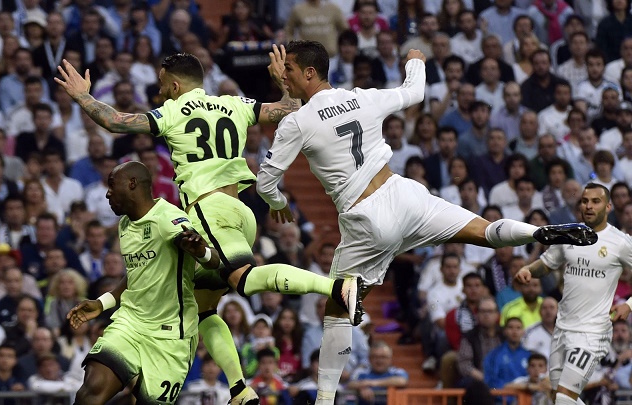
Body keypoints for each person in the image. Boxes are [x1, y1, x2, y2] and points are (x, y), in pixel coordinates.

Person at [252, 39, 598, 404]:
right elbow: (415, 91)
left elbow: (265, 182)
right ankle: (538, 232)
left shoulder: (297, 122)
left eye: (287, 69)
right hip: (405, 196)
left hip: (366, 218)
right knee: (483, 232)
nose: (282, 74)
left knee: (338, 308)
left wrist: (278, 203)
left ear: (309, 72)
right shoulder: (362, 97)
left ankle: (325, 400)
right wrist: (416, 58)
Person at [56, 49, 363, 404]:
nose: (161, 92)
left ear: (174, 84)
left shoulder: (172, 111)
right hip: (241, 210)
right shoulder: (234, 104)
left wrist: (82, 96)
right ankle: (239, 389)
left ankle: (337, 288)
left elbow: (117, 121)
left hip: (208, 210)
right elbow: (289, 109)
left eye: (161, 85)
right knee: (203, 309)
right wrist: (285, 86)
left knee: (242, 277)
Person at [65, 161, 212, 404]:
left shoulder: (168, 218)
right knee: (90, 391)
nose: (107, 193)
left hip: (170, 335)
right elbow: (137, 274)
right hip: (131, 323)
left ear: (132, 184)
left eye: (112, 185)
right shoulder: (124, 225)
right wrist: (102, 304)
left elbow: (212, 260)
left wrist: (200, 250)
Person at [516, 183, 632, 405]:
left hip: (592, 331)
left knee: (563, 397)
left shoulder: (620, 242)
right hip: (562, 328)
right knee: (557, 395)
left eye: (595, 201)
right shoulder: (569, 234)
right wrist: (528, 270)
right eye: (584, 201)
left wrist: (629, 305)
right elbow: (547, 264)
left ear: (608, 207)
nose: (588, 206)